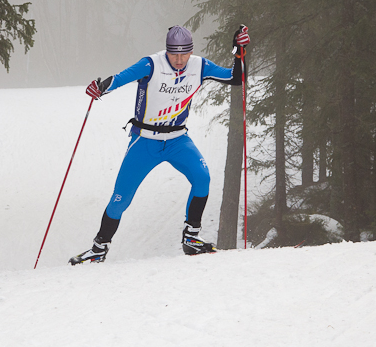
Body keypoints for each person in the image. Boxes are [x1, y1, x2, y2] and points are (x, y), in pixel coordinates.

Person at [69, 25, 250, 265]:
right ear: (167, 51)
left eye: (183, 54)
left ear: (190, 52)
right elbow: (121, 78)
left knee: (202, 178)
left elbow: (236, 78)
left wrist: (239, 52)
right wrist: (100, 87)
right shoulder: (151, 64)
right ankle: (98, 248)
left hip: (177, 140)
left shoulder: (200, 66)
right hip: (145, 141)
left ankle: (191, 238)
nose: (178, 59)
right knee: (120, 199)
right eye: (173, 54)